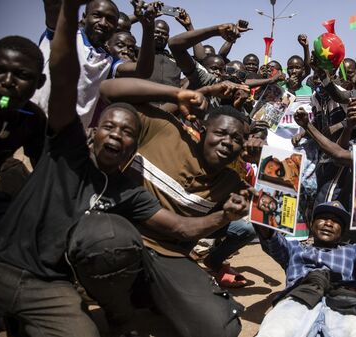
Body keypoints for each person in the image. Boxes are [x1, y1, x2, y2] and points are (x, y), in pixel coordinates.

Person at [0, 2, 249, 336]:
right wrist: (69, 9)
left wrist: (225, 216)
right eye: (110, 127)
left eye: (127, 132)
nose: (117, 135)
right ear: (92, 132)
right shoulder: (65, 152)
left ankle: (122, 314)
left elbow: (182, 229)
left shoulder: (124, 191)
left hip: (49, 287)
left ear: (134, 142)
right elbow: (68, 73)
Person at [100, 77, 257, 289]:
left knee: (219, 320)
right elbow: (108, 90)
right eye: (219, 133)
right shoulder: (164, 130)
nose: (227, 143)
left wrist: (266, 161)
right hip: (117, 241)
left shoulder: (230, 182)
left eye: (237, 140)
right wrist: (179, 93)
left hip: (169, 258)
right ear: (202, 130)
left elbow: (275, 214)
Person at [254, 201, 356, 337]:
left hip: (347, 304)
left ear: (343, 231)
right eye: (323, 218)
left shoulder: (354, 252)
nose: (328, 223)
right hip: (298, 299)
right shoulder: (294, 248)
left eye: (336, 221)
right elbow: (272, 239)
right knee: (274, 331)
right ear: (311, 224)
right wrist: (260, 212)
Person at [32, 0, 157, 128]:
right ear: (85, 17)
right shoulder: (64, 33)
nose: (103, 23)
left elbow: (143, 71)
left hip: (67, 138)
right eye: (97, 15)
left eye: (110, 19)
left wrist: (148, 27)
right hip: (33, 125)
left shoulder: (108, 60)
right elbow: (53, 5)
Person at [0, 36, 47, 230]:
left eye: (21, 75)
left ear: (40, 82)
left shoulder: (33, 118)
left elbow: (43, 169)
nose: (7, 82)